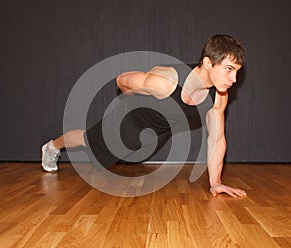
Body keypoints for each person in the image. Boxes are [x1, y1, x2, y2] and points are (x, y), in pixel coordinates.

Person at [41, 34, 247, 198]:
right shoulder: (166, 81)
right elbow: (121, 81)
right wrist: (136, 99)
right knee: (90, 141)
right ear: (208, 63)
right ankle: (52, 147)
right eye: (229, 69)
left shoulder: (219, 97)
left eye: (236, 71)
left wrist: (216, 182)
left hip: (158, 130)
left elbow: (217, 139)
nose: (234, 79)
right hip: (131, 117)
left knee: (123, 154)